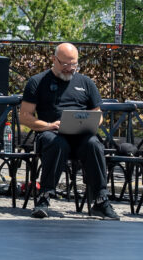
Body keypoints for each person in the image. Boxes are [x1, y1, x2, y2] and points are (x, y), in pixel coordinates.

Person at [20, 42, 118, 220]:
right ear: (53, 60)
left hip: (80, 135)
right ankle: (44, 197)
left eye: (73, 64)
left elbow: (98, 114)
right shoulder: (37, 81)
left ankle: (101, 201)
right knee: (56, 143)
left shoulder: (86, 82)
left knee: (94, 144)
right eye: (65, 64)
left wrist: (89, 122)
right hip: (51, 133)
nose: (69, 68)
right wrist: (48, 125)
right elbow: (25, 116)